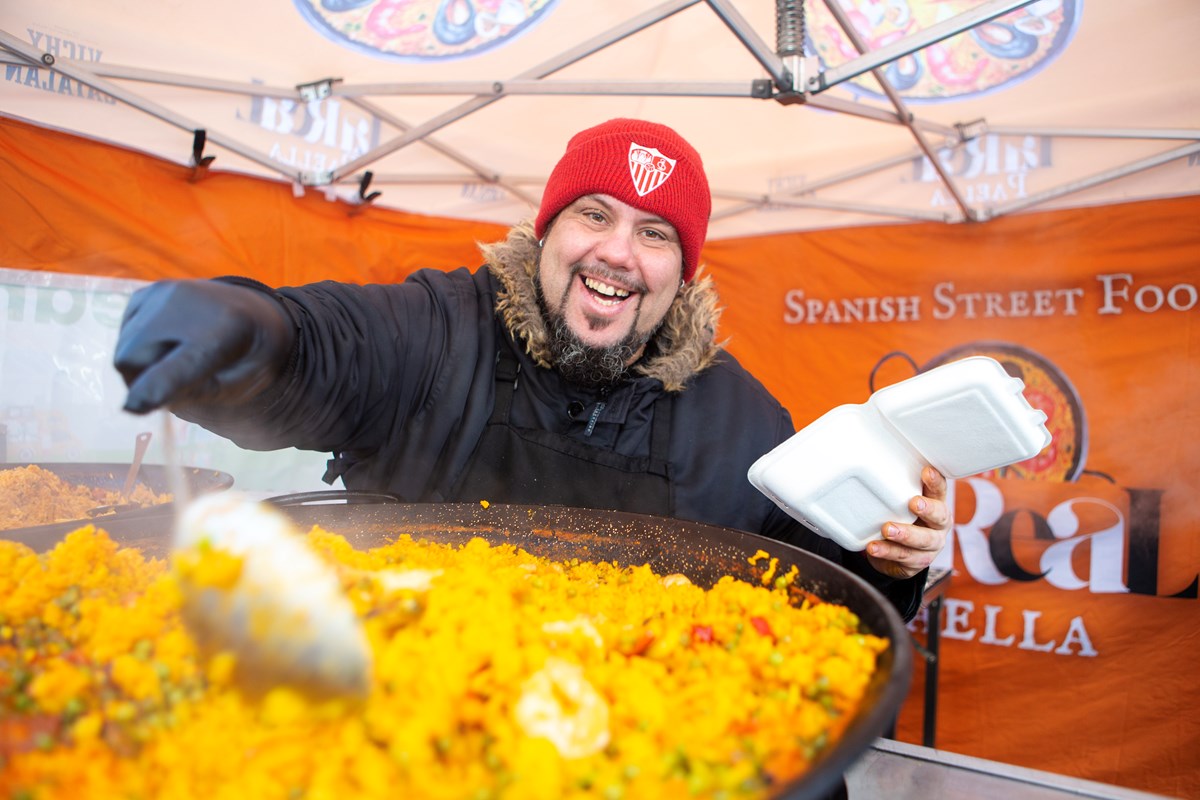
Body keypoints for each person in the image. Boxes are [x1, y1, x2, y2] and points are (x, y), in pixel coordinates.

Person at [113, 118, 947, 622]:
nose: (619, 252)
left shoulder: (744, 420)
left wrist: (890, 557)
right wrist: (245, 332)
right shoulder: (439, 331)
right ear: (547, 230)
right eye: (595, 214)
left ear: (683, 271)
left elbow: (821, 577)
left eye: (657, 234)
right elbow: (326, 347)